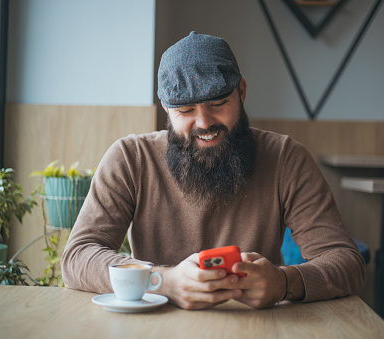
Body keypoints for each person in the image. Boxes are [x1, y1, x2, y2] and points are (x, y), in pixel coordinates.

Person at [61, 31, 366, 310]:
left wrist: (284, 283)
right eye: (186, 110)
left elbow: (348, 263)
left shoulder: (287, 158)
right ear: (166, 109)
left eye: (218, 103)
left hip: (258, 328)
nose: (205, 123)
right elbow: (77, 257)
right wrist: (164, 282)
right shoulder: (130, 158)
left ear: (241, 93)